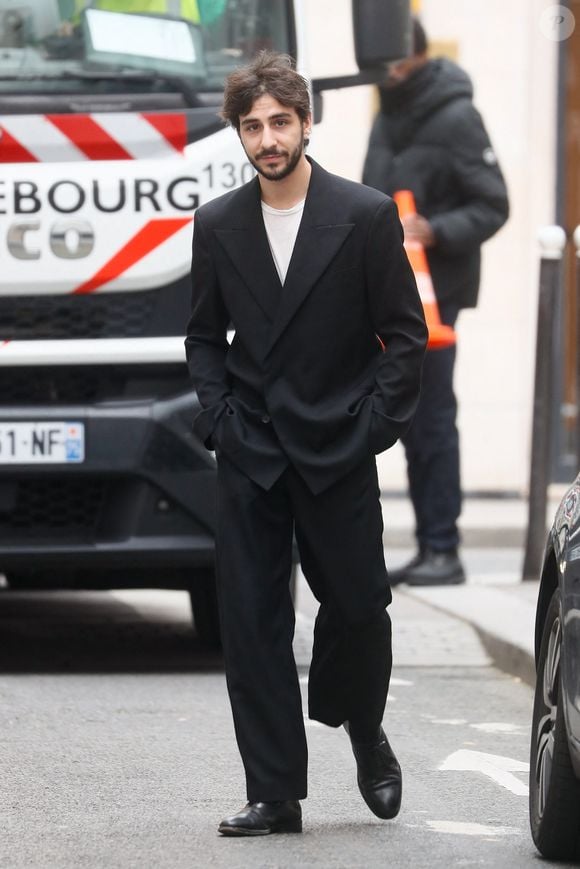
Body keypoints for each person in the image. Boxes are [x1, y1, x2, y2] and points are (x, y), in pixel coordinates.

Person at [185, 51, 427, 836]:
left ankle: (361, 722)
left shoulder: (361, 215)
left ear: (305, 124)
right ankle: (275, 791)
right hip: (251, 450)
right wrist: (219, 417)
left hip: (337, 446)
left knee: (360, 607)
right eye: (251, 126)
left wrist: (372, 429)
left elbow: (404, 335)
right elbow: (203, 338)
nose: (267, 139)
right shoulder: (218, 222)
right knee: (252, 621)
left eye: (279, 122)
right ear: (240, 135)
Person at [363, 18, 509, 587]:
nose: (387, 76)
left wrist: (435, 229)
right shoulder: (389, 112)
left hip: (433, 307)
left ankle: (443, 549)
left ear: (415, 58)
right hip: (387, 298)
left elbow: (493, 204)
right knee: (404, 422)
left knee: (431, 425)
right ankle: (430, 549)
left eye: (393, 64)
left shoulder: (455, 116)